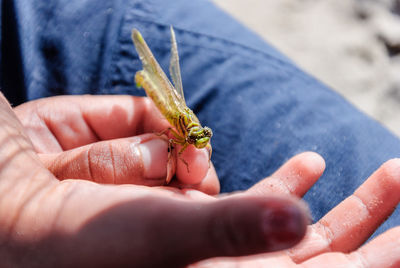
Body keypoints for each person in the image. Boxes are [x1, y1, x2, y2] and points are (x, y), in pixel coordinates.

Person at [1, 0, 400, 267]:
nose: (202, 140)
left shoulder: (192, 134)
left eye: (200, 136)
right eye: (197, 137)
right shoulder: (179, 133)